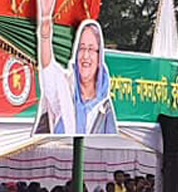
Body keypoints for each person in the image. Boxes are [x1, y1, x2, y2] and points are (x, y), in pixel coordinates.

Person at [34, 0, 117, 135]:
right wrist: (45, 22)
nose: (85, 55)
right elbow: (47, 68)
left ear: (99, 57)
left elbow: (111, 151)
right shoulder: (64, 90)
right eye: (82, 48)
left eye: (91, 49)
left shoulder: (104, 107)